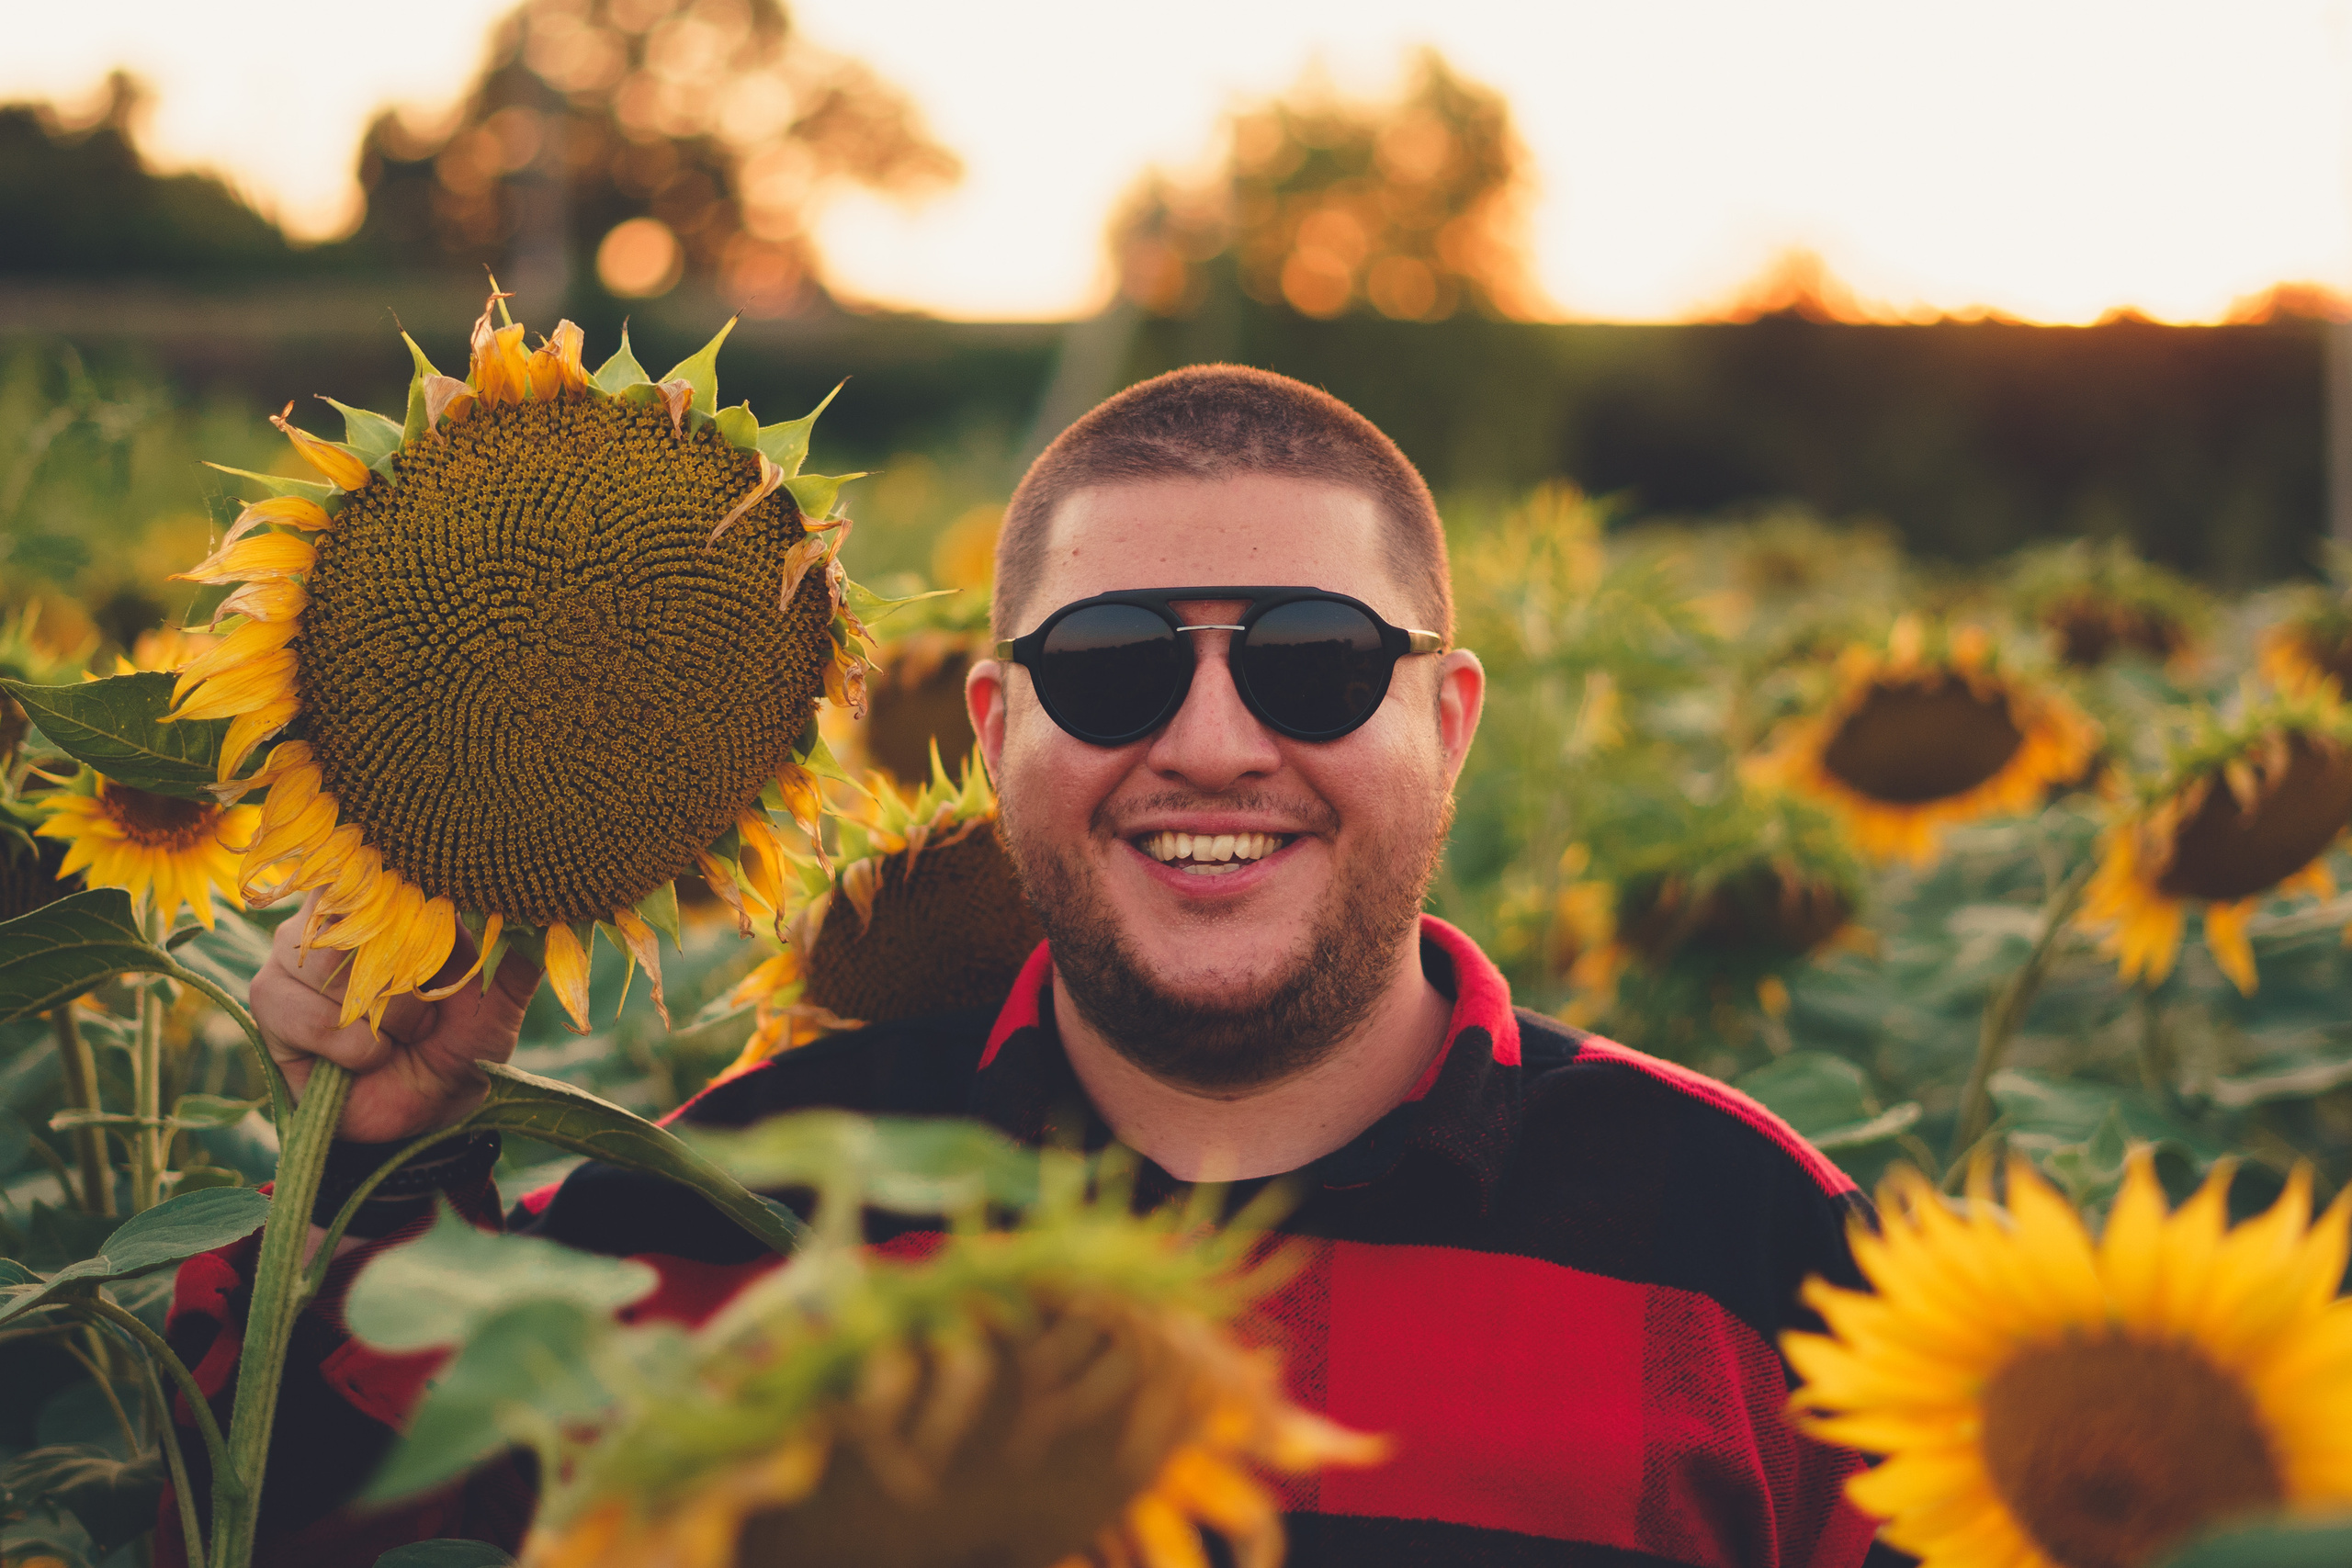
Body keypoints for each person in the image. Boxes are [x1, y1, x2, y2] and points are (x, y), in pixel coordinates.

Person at [163, 366, 1891, 1567]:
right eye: (1111, 665)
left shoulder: (1747, 1251)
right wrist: (376, 1151)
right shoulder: (732, 1213)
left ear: (1447, 723)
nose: (1212, 743)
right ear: (994, 732)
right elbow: (246, 1516)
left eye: (1314, 660)